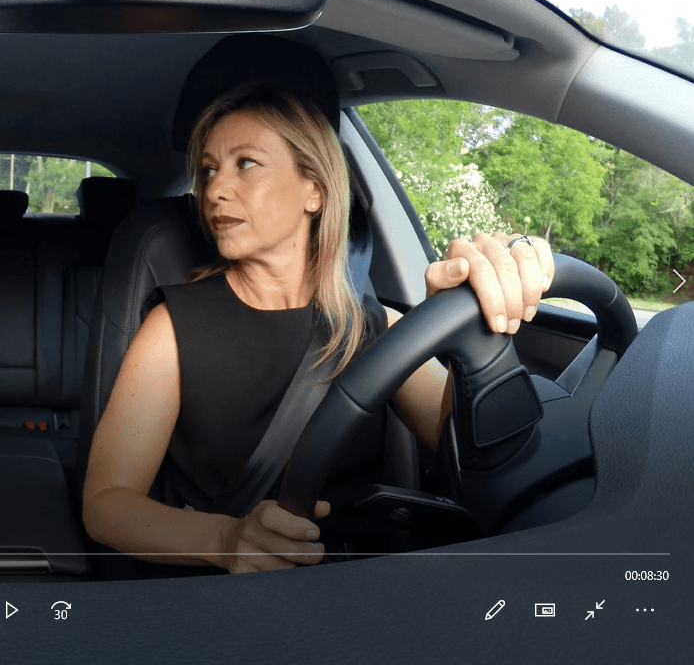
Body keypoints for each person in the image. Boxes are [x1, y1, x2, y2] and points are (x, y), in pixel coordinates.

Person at [80, 82, 554, 575]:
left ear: (315, 190)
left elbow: (472, 441)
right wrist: (226, 539)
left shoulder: (375, 327)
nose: (214, 190)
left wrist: (474, 320)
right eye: (209, 170)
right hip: (232, 592)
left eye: (246, 163)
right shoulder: (172, 330)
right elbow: (106, 503)